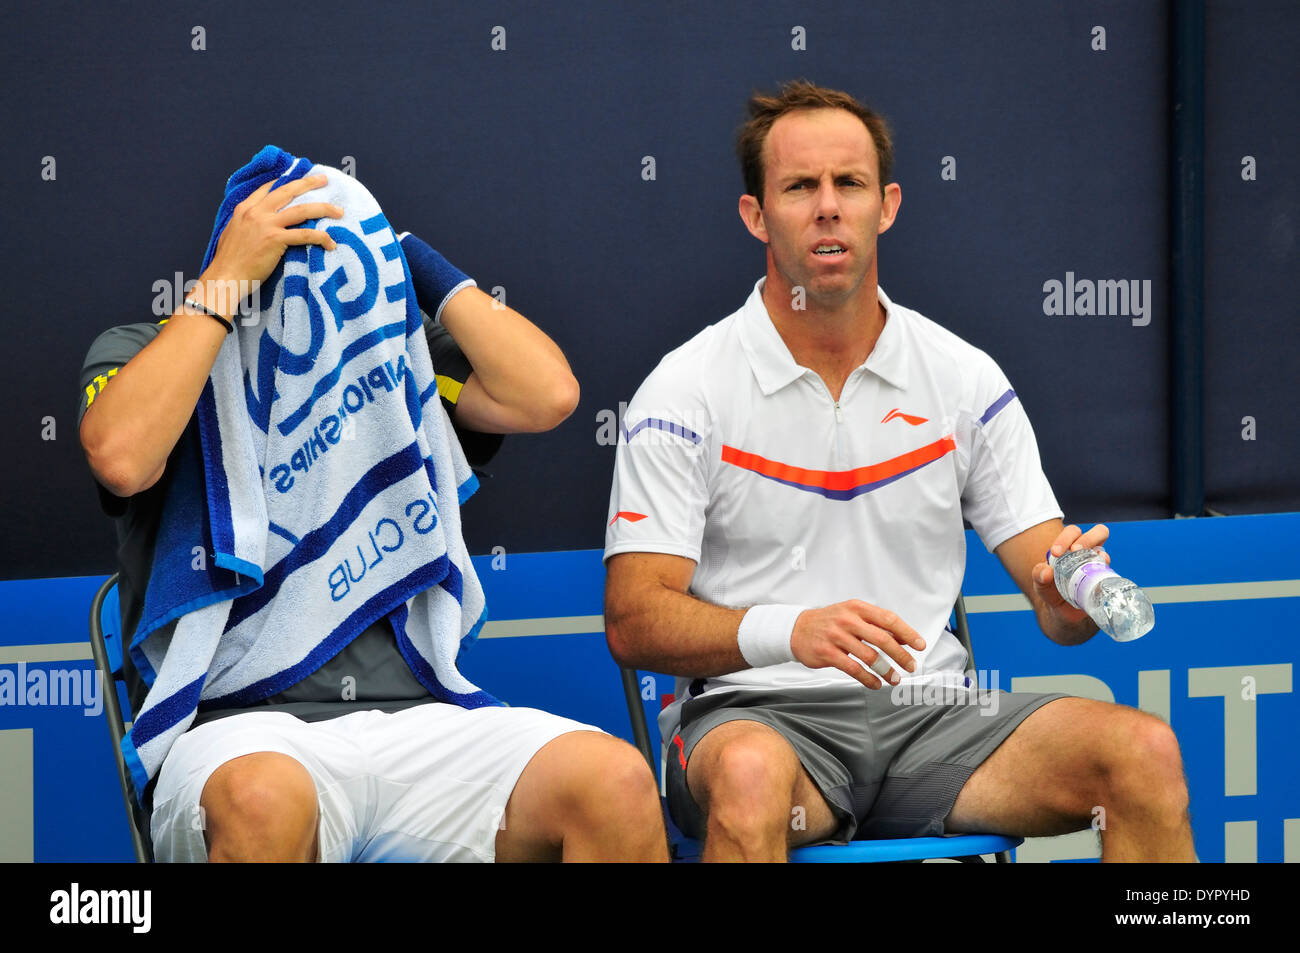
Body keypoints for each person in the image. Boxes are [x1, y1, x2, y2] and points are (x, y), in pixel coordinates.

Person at [603, 80, 1194, 862]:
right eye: (798, 187)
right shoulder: (685, 389)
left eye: (848, 183)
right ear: (756, 216)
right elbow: (633, 617)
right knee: (748, 775)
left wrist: (1069, 595)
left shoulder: (962, 375)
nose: (827, 207)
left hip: (933, 715)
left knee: (1143, 753)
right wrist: (791, 631)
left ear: (887, 205)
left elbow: (1055, 606)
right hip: (755, 718)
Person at [79, 164, 667, 862]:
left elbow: (549, 394)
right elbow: (120, 455)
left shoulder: (389, 368)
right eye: (284, 249)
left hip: (418, 723)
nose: (307, 270)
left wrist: (405, 256)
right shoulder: (145, 348)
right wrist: (223, 282)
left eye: (331, 250)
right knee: (266, 798)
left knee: (616, 782)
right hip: (236, 731)